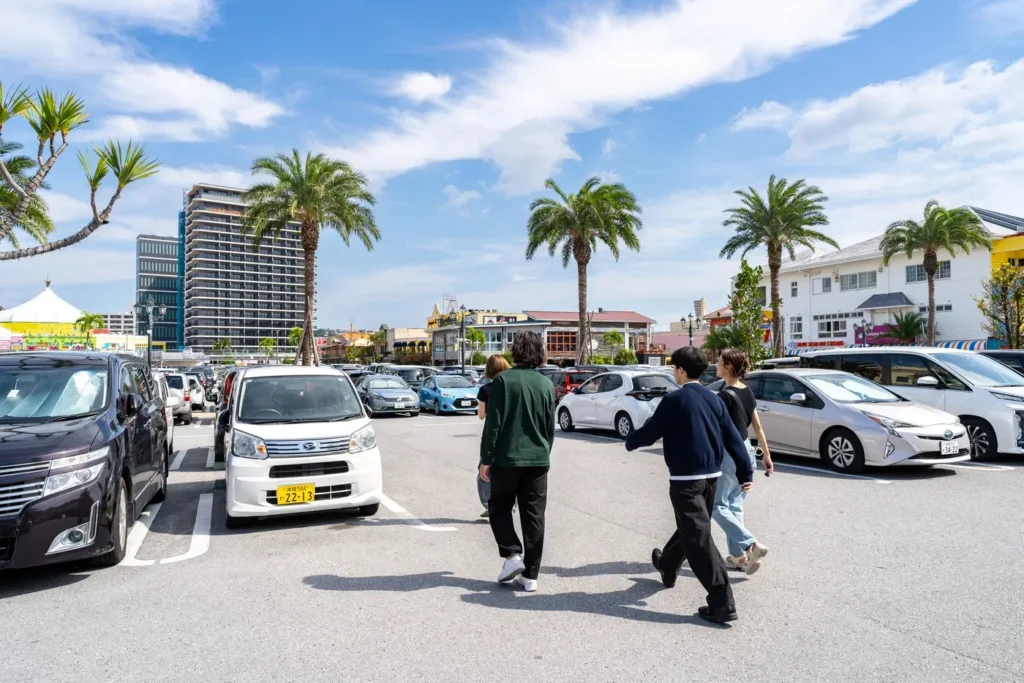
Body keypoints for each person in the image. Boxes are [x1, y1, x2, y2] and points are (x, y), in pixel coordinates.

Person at [625, 346, 753, 624]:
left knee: (698, 539)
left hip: (686, 482)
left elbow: (650, 433)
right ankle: (667, 564)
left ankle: (722, 601)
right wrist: (746, 472)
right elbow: (734, 437)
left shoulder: (674, 400)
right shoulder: (715, 399)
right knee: (693, 529)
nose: (674, 372)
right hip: (711, 480)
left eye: (674, 368)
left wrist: (630, 441)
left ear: (681, 370)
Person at [479, 332, 554, 593]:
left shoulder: (503, 381)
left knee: (499, 506)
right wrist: (545, 453)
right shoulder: (545, 384)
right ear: (539, 352)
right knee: (534, 516)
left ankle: (512, 555)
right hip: (538, 458)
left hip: (507, 458)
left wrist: (485, 458)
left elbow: (493, 424)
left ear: (515, 352)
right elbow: (549, 427)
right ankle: (530, 576)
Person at [715, 349, 773, 574]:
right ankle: (739, 557)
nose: (716, 365)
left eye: (719, 362)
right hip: (748, 450)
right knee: (734, 505)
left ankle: (751, 544)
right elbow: (757, 427)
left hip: (730, 453)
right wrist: (766, 455)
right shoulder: (748, 391)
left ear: (728, 367)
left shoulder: (723, 396)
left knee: (717, 505)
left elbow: (719, 432)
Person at [476, 354, 511, 517]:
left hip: (492, 434)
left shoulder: (485, 390)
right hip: (510, 434)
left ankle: (489, 505)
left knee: (484, 472)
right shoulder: (511, 387)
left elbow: (481, 415)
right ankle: (510, 505)